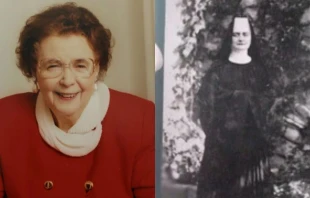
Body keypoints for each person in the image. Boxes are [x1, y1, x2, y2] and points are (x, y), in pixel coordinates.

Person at [0, 3, 154, 198]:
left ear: (97, 69)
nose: (67, 81)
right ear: (34, 70)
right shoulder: (4, 119)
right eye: (52, 66)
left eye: (80, 65)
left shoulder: (141, 120)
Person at [196, 15, 273, 198]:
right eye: (236, 34)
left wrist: (245, 101)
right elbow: (205, 104)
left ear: (251, 37)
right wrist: (217, 133)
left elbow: (268, 101)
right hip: (221, 146)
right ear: (229, 38)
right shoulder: (217, 71)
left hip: (252, 147)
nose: (240, 38)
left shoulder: (259, 71)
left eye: (245, 34)